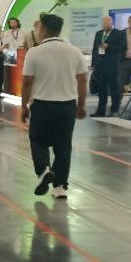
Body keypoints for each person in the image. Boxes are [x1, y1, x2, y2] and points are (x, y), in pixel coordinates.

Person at [21, 13, 87, 199]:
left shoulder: (34, 52)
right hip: (67, 106)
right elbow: (82, 80)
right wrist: (81, 105)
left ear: (43, 29)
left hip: (42, 105)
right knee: (63, 146)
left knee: (38, 140)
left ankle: (43, 169)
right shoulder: (74, 51)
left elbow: (27, 82)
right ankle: (60, 187)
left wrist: (24, 106)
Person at [90, 15, 125, 116]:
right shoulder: (99, 33)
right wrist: (93, 64)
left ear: (111, 23)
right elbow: (95, 49)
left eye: (107, 22)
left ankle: (114, 110)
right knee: (101, 89)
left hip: (112, 65)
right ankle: (100, 111)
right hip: (100, 65)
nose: (105, 24)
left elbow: (122, 47)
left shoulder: (119, 33)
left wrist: (108, 46)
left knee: (114, 88)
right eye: (104, 23)